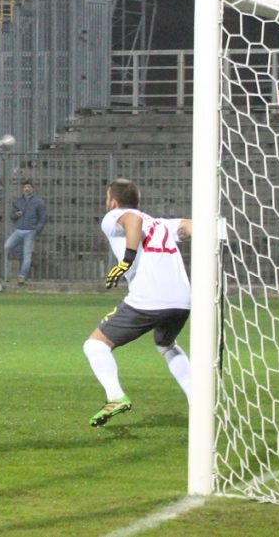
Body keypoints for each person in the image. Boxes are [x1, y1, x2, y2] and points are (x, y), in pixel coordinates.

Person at [84, 178, 193, 427]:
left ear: (113, 201)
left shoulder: (114, 217)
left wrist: (126, 261)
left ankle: (115, 397)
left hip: (148, 299)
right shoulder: (162, 224)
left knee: (95, 345)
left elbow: (132, 220)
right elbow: (190, 225)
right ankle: (198, 400)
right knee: (166, 344)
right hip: (181, 301)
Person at [3, 179, 47, 285]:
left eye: (28, 187)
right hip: (19, 230)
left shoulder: (39, 202)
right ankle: (28, 257)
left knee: (27, 255)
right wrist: (16, 214)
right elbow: (12, 216)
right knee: (7, 246)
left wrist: (37, 230)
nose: (26, 189)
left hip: (30, 231)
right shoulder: (18, 201)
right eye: (25, 187)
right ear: (22, 189)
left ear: (33, 189)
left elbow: (43, 218)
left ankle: (22, 276)